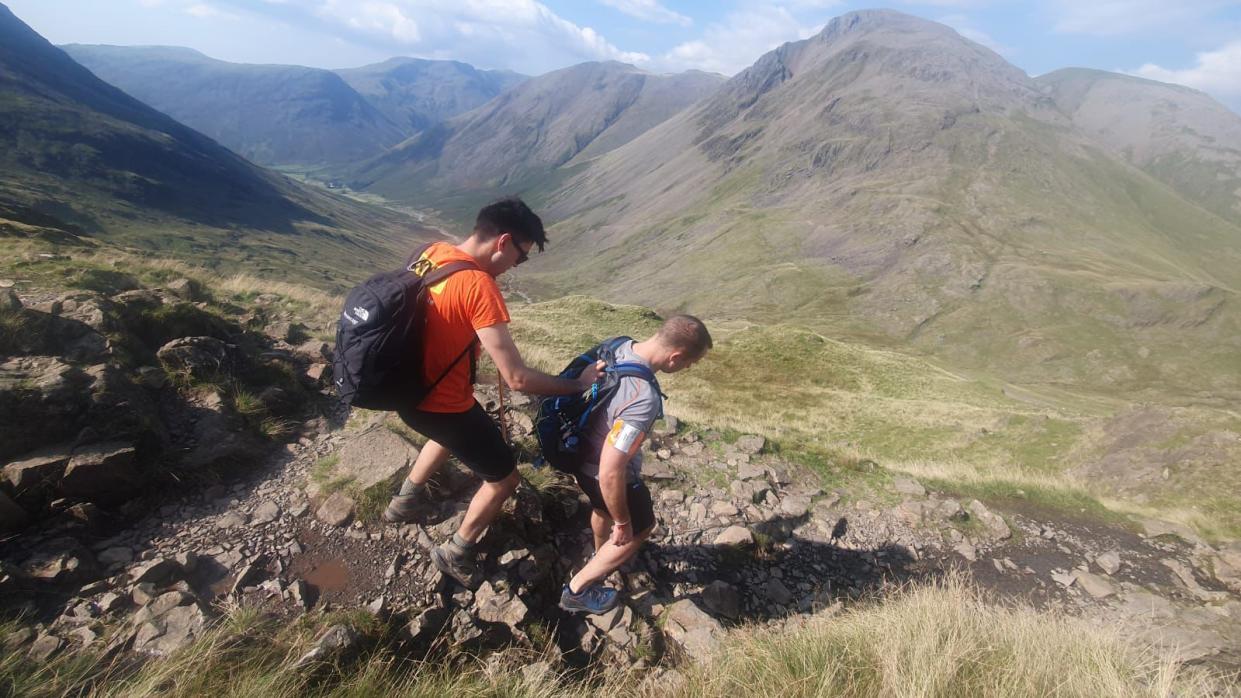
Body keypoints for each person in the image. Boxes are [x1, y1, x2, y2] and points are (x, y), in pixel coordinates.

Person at [381, 197, 602, 589]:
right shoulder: (478, 285)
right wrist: (577, 385)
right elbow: (516, 379)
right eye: (520, 257)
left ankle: (403, 503)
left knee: (445, 438)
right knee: (504, 480)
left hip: (407, 391)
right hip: (442, 404)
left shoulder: (431, 252)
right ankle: (457, 551)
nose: (516, 267)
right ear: (503, 242)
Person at [559, 315, 712, 614]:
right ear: (675, 356)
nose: (687, 368)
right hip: (603, 473)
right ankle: (577, 590)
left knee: (600, 508)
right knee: (641, 527)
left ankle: (601, 554)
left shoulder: (618, 346)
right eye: (689, 363)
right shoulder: (643, 398)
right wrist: (624, 523)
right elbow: (611, 470)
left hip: (576, 453)